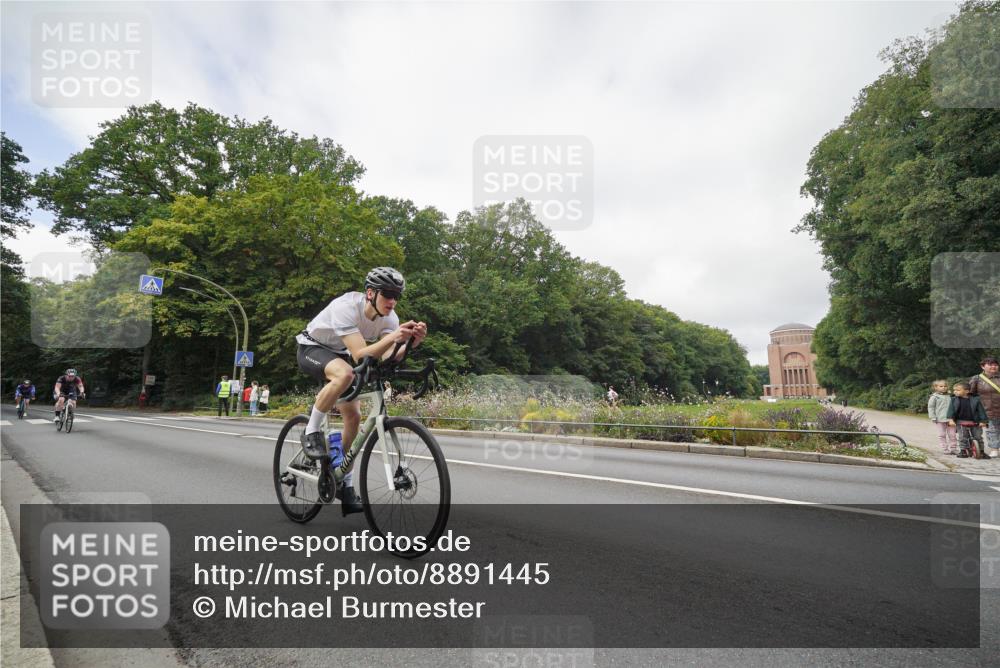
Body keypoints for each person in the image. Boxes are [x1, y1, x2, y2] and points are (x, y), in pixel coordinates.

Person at [295, 267, 426, 515]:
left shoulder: (390, 319)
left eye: (396, 295)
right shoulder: (346, 306)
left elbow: (387, 357)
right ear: (370, 293)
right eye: (387, 294)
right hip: (312, 347)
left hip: (341, 353)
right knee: (344, 374)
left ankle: (345, 485)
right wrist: (394, 337)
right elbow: (360, 354)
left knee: (354, 417)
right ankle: (311, 431)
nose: (392, 301)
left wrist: (411, 343)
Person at [947, 381, 989, 459]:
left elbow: (981, 411)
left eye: (958, 390)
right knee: (963, 437)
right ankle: (963, 451)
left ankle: (981, 452)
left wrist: (983, 421)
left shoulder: (976, 399)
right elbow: (951, 410)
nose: (955, 391)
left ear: (966, 391)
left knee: (978, 437)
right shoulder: (953, 399)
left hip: (975, 421)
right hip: (961, 421)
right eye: (954, 390)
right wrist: (951, 420)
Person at [969, 356, 1000, 458]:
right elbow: (971, 394)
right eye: (990, 364)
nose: (993, 366)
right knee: (992, 429)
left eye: (995, 364)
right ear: (983, 366)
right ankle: (994, 449)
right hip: (988, 409)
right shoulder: (976, 379)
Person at [927, 379, 956, 455]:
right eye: (941, 386)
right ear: (936, 387)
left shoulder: (950, 396)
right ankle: (945, 448)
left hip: (950, 419)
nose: (943, 387)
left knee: (952, 435)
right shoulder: (934, 397)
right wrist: (932, 417)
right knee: (942, 434)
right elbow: (931, 407)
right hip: (939, 419)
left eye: (945, 386)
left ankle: (953, 448)